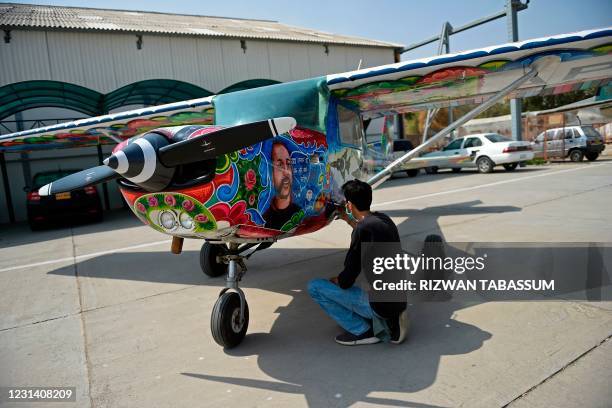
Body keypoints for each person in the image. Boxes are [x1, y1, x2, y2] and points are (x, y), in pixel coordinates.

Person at [308, 179, 409, 346]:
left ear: (349, 205)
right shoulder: (383, 220)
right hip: (397, 298)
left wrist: (337, 280)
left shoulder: (363, 230)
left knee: (315, 286)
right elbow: (365, 229)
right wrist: (349, 221)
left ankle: (363, 330)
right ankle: (387, 318)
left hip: (381, 306)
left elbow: (348, 278)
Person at [263, 141, 302, 230]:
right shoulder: (265, 220)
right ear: (270, 173)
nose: (286, 172)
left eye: (288, 164)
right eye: (279, 165)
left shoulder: (300, 213)